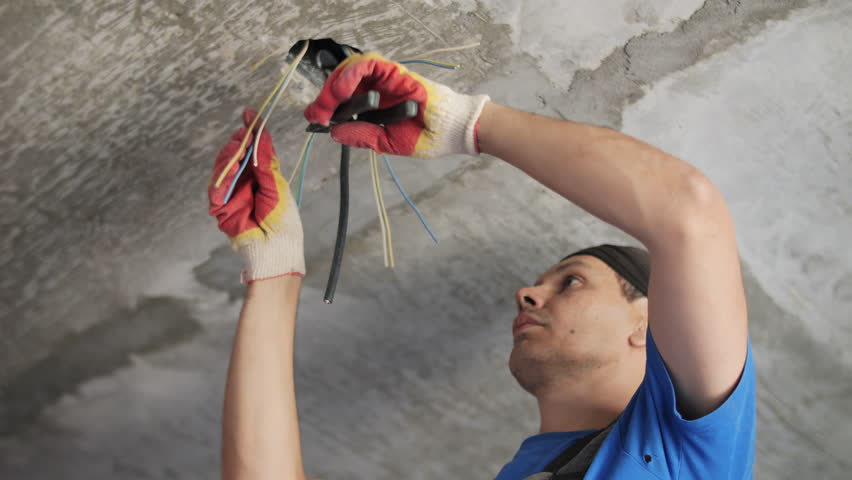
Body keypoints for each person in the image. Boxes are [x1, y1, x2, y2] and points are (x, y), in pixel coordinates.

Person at [207, 52, 755, 480]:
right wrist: (273, 269)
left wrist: (467, 123)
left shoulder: (691, 455)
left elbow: (689, 212)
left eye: (572, 282)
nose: (526, 294)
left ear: (647, 325)